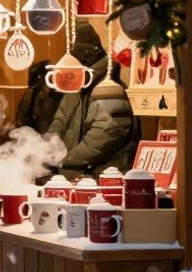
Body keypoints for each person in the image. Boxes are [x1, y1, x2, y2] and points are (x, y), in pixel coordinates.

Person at [46, 21, 138, 177]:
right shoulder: (75, 88)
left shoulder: (110, 88)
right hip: (75, 176)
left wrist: (62, 161)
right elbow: (58, 125)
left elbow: (103, 137)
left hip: (103, 179)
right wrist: (43, 153)